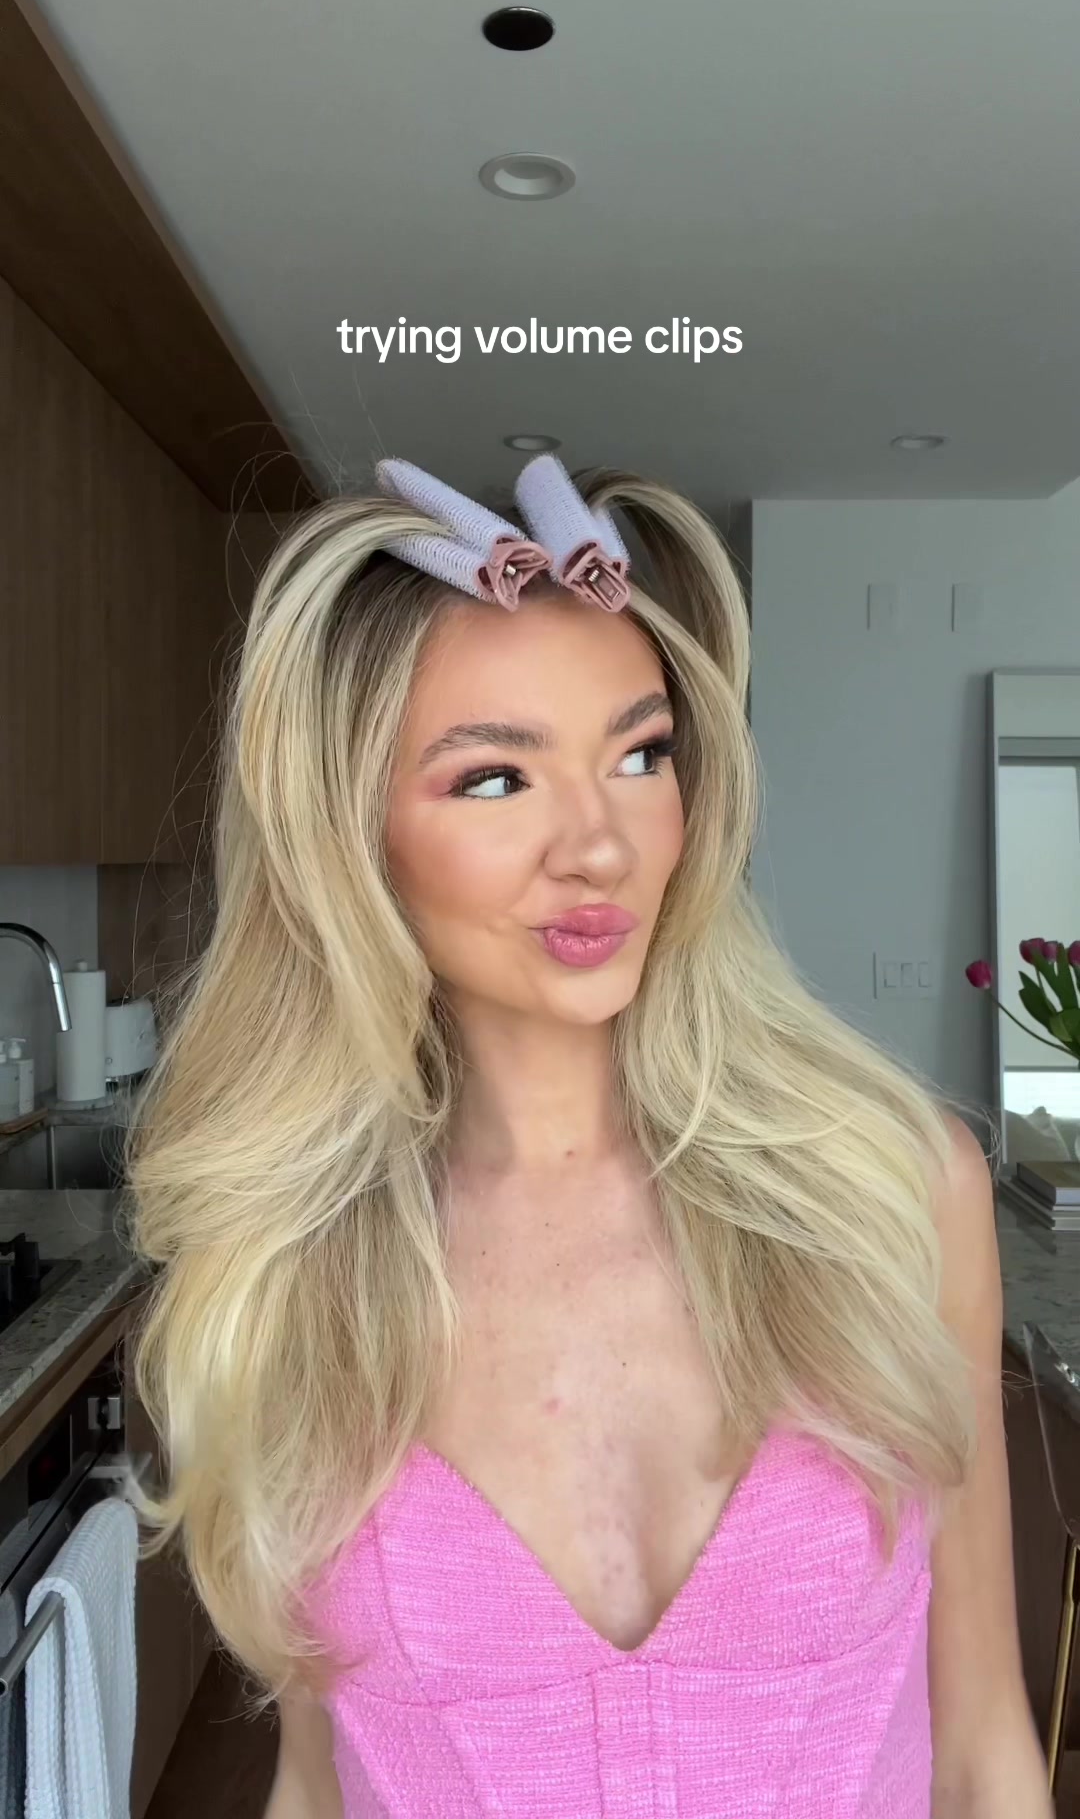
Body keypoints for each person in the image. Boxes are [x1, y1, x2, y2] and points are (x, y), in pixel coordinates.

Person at [126, 453, 1051, 1818]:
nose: (602, 846)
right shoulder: (288, 1265)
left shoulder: (893, 1191)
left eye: (640, 755)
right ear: (349, 837)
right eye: (497, 778)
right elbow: (317, 1783)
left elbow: (981, 1742)